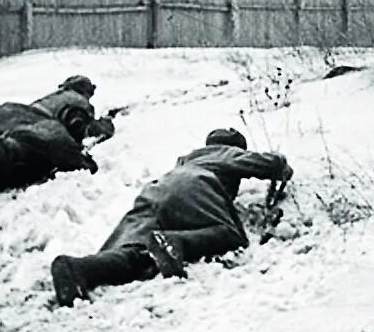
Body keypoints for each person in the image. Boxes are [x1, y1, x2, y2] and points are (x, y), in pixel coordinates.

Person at [50, 127, 293, 307]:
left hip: (156, 190)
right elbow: (271, 164)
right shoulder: (225, 153)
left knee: (136, 254)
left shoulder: (185, 158)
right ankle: (177, 241)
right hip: (196, 185)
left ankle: (80, 268)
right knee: (230, 235)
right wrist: (281, 166)